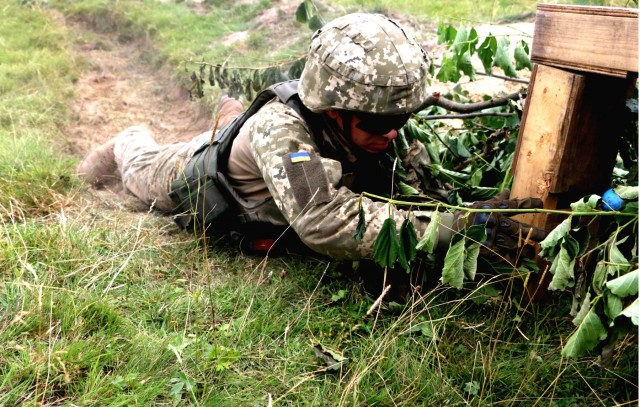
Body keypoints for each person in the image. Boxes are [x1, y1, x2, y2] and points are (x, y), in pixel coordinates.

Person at [77, 13, 546, 271]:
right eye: (378, 123)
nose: (393, 133)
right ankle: (123, 139)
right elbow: (322, 222)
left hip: (256, 154)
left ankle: (228, 114)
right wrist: (457, 230)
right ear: (335, 112)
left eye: (404, 117)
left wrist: (479, 211)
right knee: (138, 161)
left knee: (235, 123)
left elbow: (414, 192)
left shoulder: (377, 126)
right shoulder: (283, 131)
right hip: (184, 174)